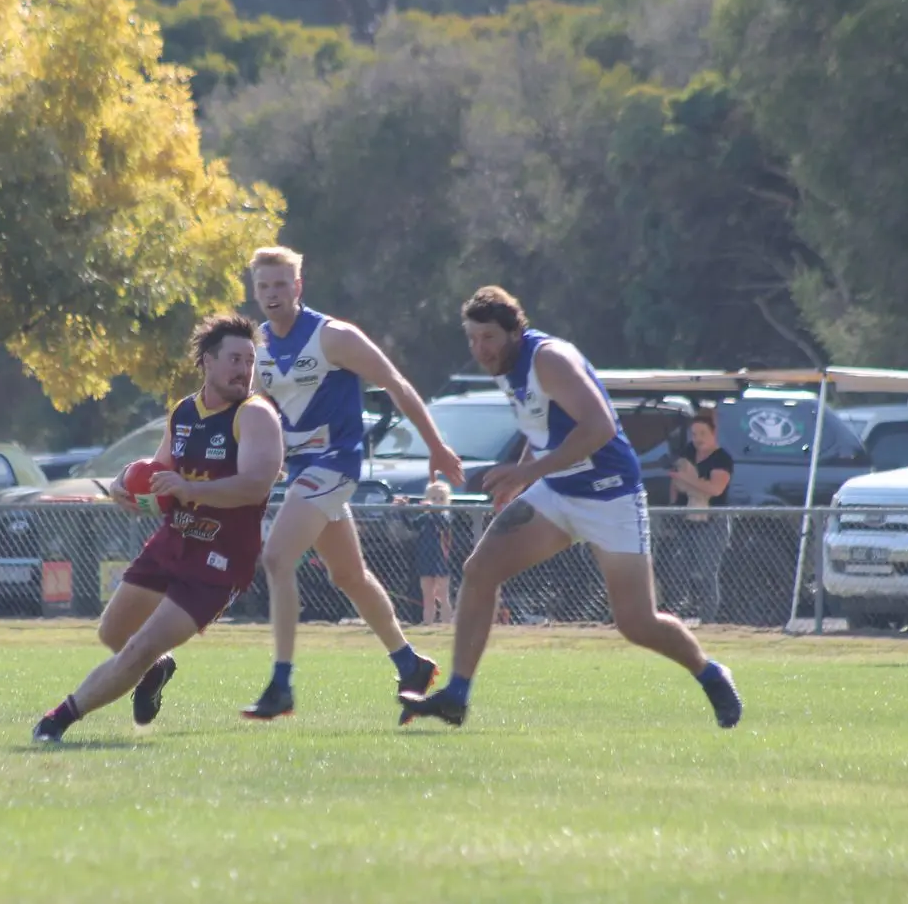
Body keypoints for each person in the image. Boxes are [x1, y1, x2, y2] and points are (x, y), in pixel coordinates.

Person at [398, 287, 743, 729]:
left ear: (513, 332)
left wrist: (528, 473)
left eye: (487, 337)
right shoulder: (508, 366)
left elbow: (599, 427)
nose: (478, 349)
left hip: (610, 495)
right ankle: (457, 695)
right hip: (557, 492)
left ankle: (710, 673)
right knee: (479, 570)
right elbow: (539, 428)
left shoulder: (549, 359)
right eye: (471, 338)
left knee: (636, 622)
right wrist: (524, 476)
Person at [33, 315, 283, 743]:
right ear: (206, 361)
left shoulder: (256, 416)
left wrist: (188, 488)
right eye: (235, 359)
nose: (245, 370)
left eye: (251, 360)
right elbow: (156, 475)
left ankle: (57, 720)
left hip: (217, 560)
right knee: (112, 632)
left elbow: (256, 484)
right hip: (171, 542)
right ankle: (155, 674)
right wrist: (123, 488)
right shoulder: (184, 412)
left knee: (138, 646)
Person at [241, 246, 464, 720]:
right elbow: (255, 409)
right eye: (264, 286)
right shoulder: (258, 344)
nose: (273, 294)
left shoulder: (332, 336)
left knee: (277, 557)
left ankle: (281, 684)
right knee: (348, 576)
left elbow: (397, 384)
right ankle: (411, 664)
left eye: (282, 284)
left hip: (336, 464)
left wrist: (437, 447)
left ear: (298, 287)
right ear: (255, 291)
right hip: (305, 472)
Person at [666, 413, 734, 624]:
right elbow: (675, 481)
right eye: (694, 433)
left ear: (714, 433)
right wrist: (674, 501)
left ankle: (708, 619)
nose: (698, 438)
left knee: (707, 570)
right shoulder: (688, 452)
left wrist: (686, 479)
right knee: (679, 566)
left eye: (703, 433)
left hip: (713, 521)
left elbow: (715, 489)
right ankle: (679, 611)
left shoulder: (722, 458)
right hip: (687, 519)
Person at [395, 481, 455, 624]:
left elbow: (443, 525)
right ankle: (428, 622)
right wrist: (402, 510)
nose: (437, 502)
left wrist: (434, 512)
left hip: (441, 561)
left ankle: (446, 623)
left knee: (443, 595)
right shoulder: (425, 518)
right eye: (434, 499)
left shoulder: (446, 516)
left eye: (441, 499)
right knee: (428, 595)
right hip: (425, 559)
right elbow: (411, 526)